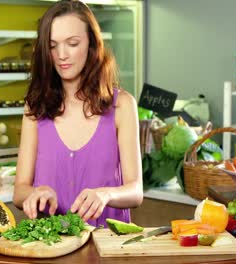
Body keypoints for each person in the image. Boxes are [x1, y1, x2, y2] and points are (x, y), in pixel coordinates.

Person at [13, 0, 143, 227]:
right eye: (53, 46)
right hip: (51, 246)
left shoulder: (122, 105)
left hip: (106, 246)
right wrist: (37, 192)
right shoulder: (35, 108)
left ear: (92, 44)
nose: (61, 55)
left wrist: (106, 195)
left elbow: (136, 191)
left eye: (72, 43)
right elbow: (19, 192)